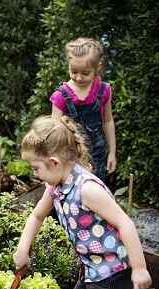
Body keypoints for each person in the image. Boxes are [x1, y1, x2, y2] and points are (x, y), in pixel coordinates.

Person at [13, 115, 152, 289]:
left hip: (113, 269)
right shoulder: (55, 186)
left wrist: (139, 268)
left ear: (54, 162)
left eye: (36, 168)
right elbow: (37, 216)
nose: (34, 174)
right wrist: (22, 248)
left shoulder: (87, 190)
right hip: (94, 266)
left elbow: (124, 223)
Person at [50, 37, 116, 182]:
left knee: (95, 193)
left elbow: (108, 121)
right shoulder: (61, 96)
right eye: (73, 72)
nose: (78, 78)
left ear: (97, 68)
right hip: (70, 157)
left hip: (97, 156)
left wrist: (112, 152)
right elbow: (55, 131)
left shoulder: (103, 91)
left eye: (85, 73)